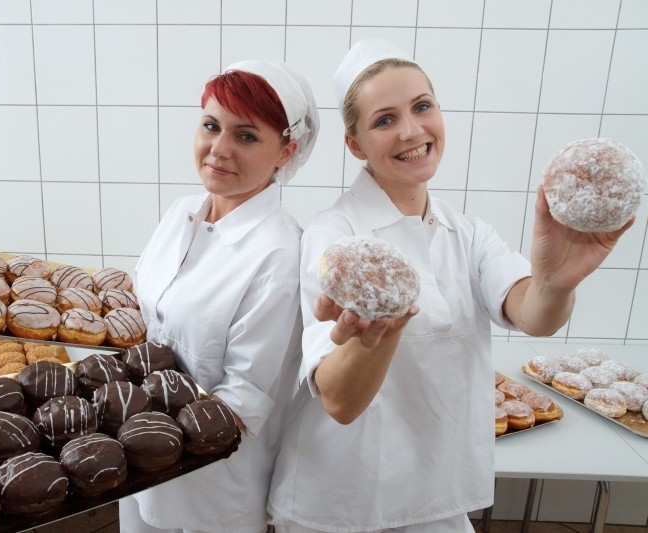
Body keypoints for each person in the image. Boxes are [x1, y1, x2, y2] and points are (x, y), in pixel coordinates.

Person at [266, 38, 635, 532]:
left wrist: (556, 280)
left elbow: (535, 315)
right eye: (384, 120)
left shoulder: (468, 233)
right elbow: (339, 401)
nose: (411, 131)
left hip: (433, 493)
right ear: (355, 145)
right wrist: (381, 333)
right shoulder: (336, 241)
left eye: (422, 107)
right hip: (342, 499)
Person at [119, 60, 320, 533]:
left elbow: (245, 397)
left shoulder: (281, 253)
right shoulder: (181, 213)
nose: (219, 149)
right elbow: (140, 314)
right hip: (138, 457)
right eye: (211, 126)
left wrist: (136, 430)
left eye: (246, 136)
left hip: (209, 480)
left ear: (285, 152)